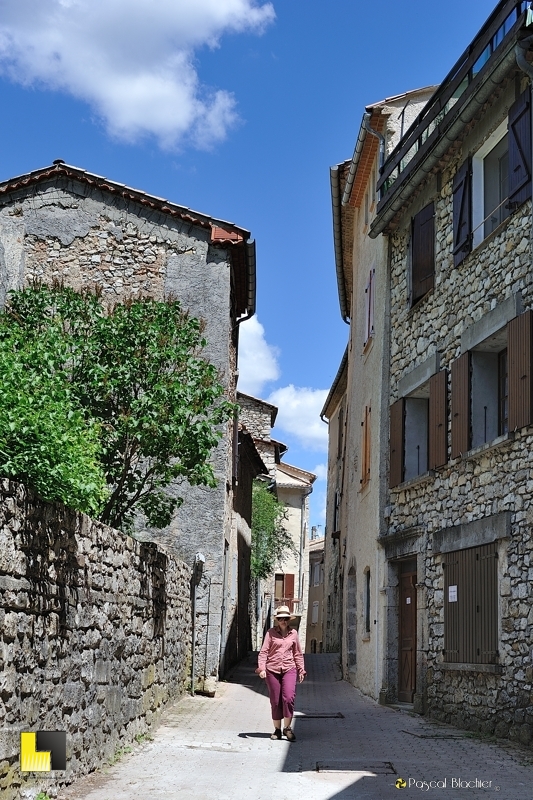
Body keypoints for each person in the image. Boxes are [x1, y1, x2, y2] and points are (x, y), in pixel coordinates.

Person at [257, 605, 306, 742]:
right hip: (272, 669)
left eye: (285, 618)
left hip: (289, 669)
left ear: (289, 620)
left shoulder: (294, 634)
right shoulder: (270, 633)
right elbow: (264, 652)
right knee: (275, 700)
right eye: (280, 619)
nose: (283, 621)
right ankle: (277, 730)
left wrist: (301, 669)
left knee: (288, 697)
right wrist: (261, 668)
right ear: (277, 620)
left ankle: (288, 728)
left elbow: (297, 653)